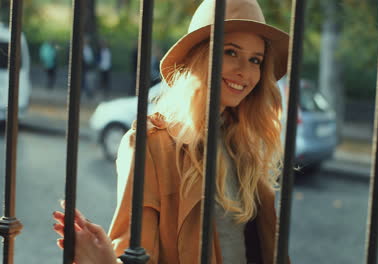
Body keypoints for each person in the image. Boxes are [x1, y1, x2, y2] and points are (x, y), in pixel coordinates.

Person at [52, 0, 290, 263]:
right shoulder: (150, 144)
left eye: (255, 59)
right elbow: (136, 253)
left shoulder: (244, 142)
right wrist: (104, 261)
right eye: (231, 52)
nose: (245, 71)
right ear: (199, 56)